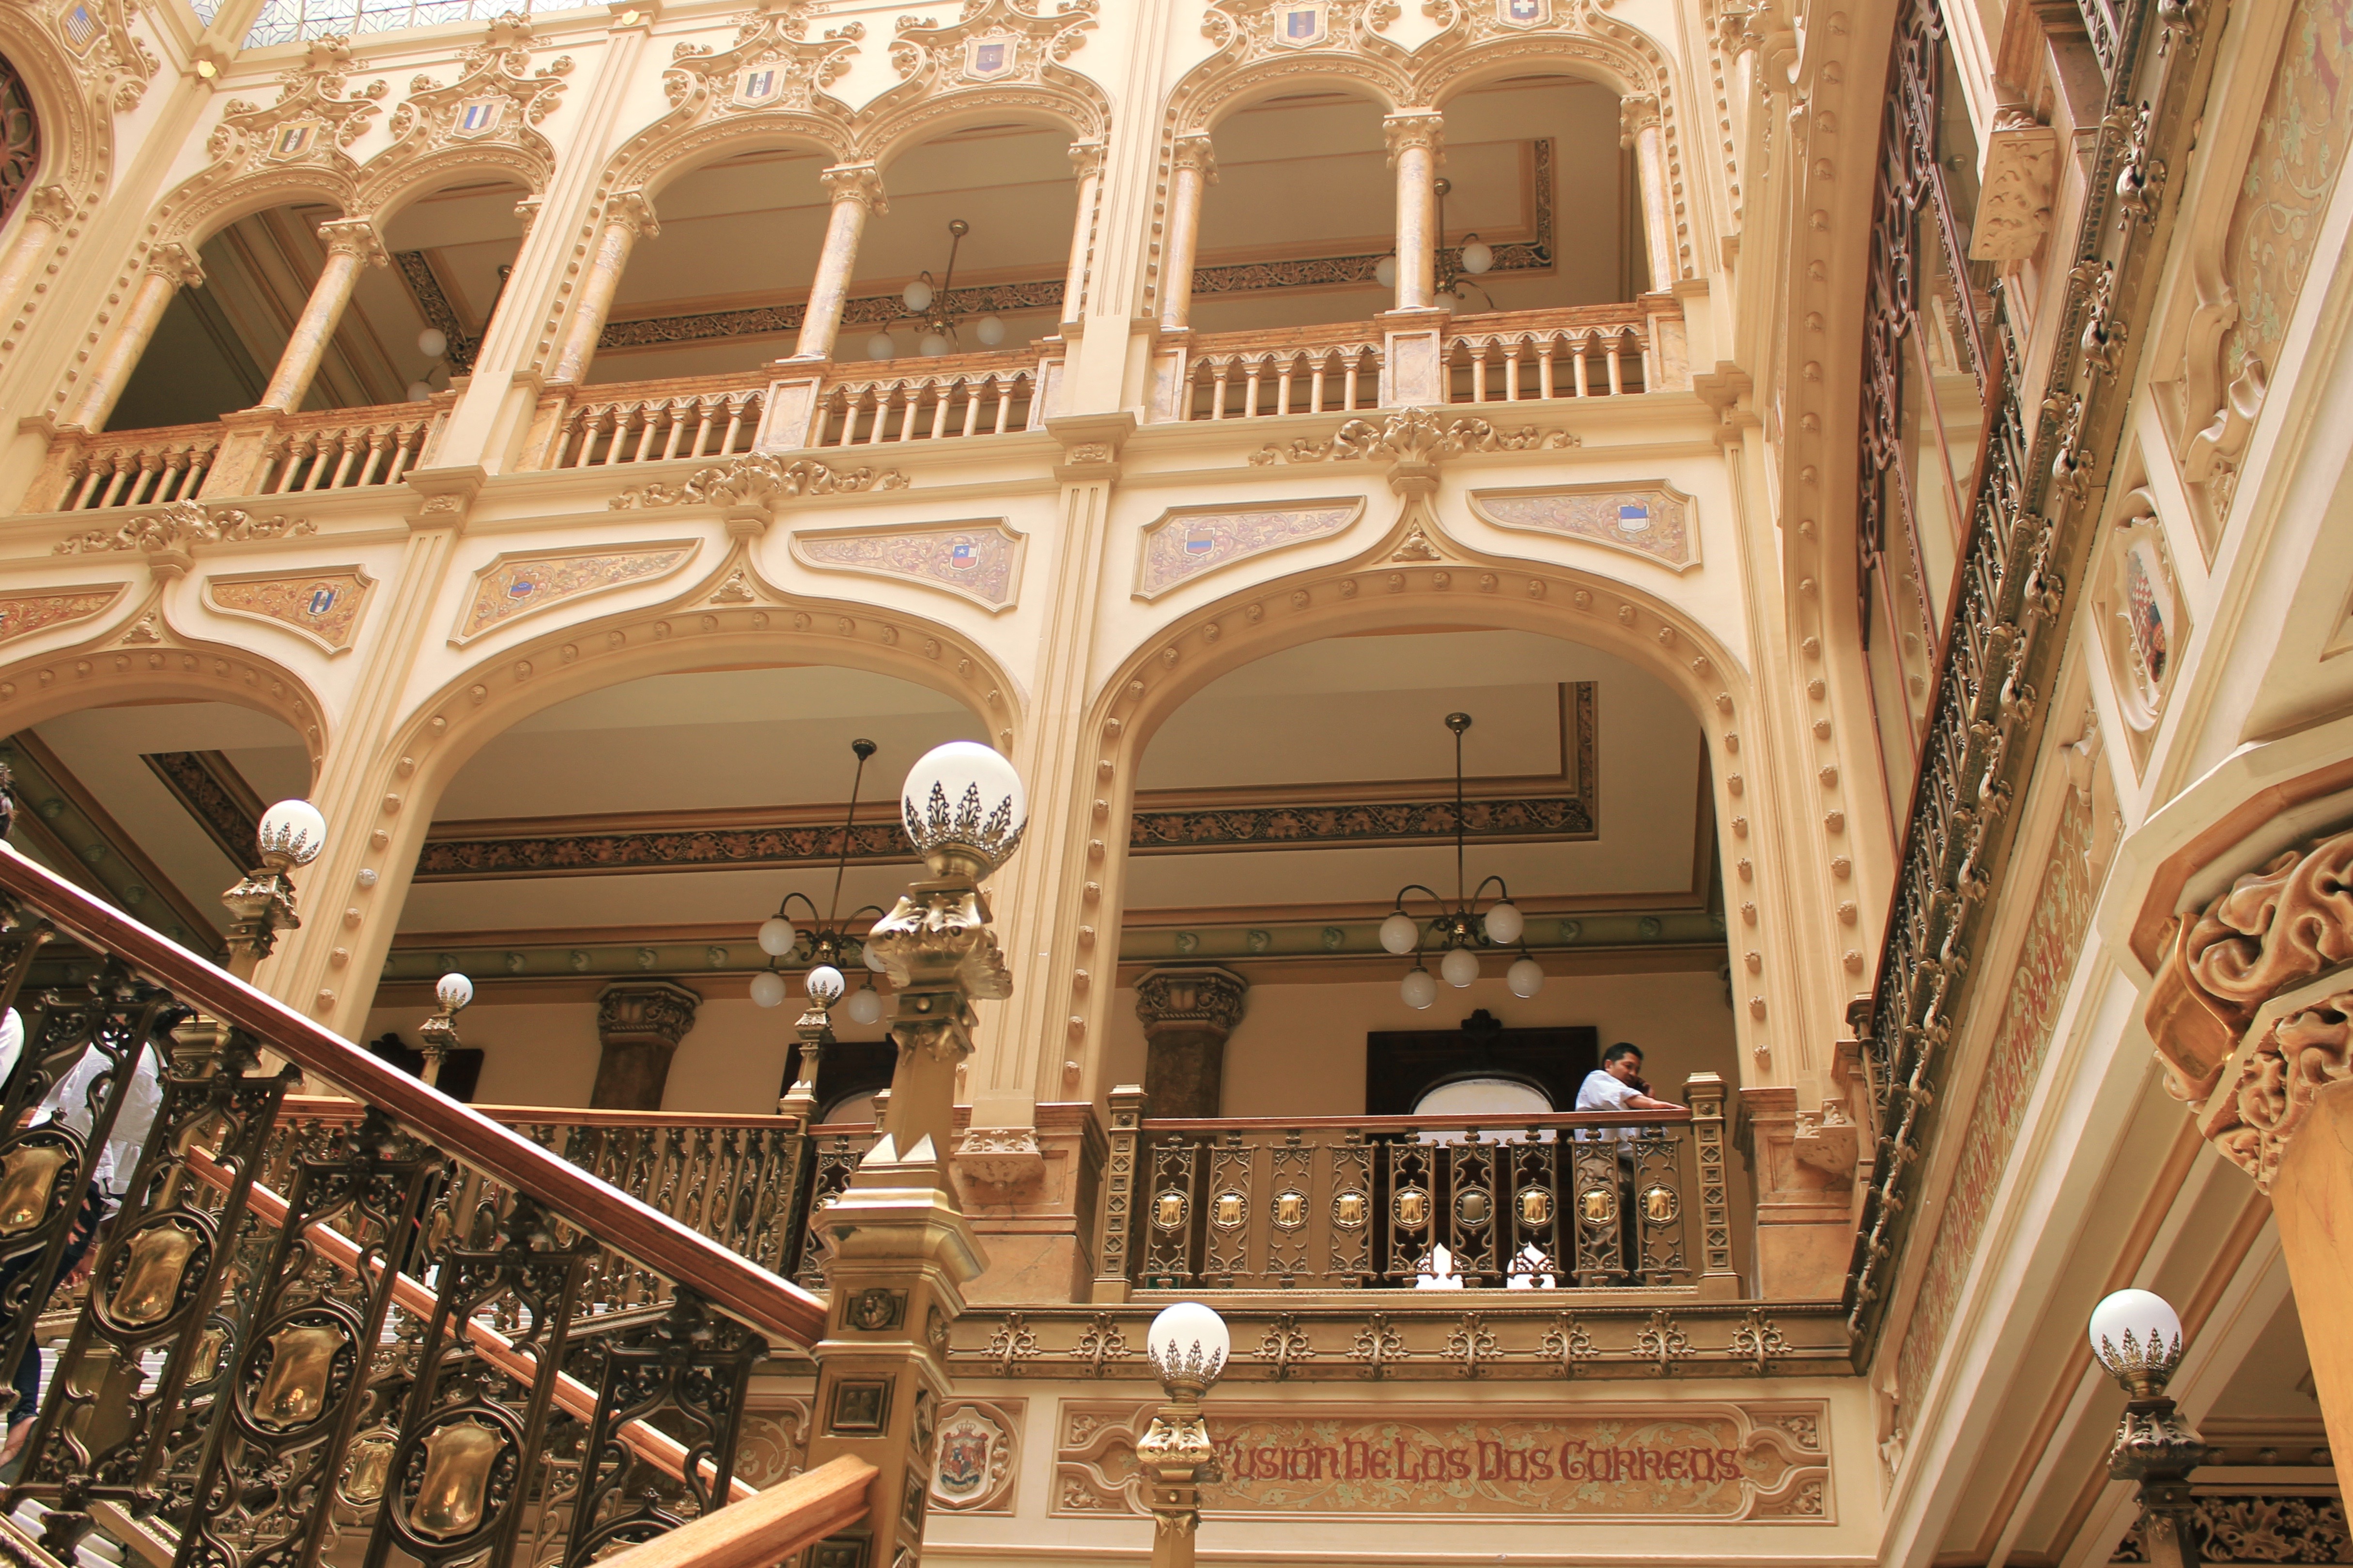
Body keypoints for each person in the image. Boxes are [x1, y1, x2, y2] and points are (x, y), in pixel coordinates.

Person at [0, 1003, 170, 1466]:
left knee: (11, 1305)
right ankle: (24, 1415)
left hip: (59, 1191)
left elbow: (81, 1128)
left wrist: (76, 1207)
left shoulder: (120, 1052)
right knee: (13, 1308)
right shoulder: (150, 1062)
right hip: (73, 1194)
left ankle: (25, 1413)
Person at [1572, 1043, 1684, 1282]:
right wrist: (1651, 1104)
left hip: (1628, 1170)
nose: (1633, 1073)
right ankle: (1596, 1293)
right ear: (1609, 1065)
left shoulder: (1634, 1101)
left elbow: (1650, 1140)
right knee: (1606, 1230)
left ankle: (1633, 1290)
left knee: (1634, 1235)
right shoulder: (1597, 1080)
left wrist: (1649, 1101)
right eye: (1628, 1066)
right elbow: (1618, 1097)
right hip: (1599, 1164)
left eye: (1637, 1069)